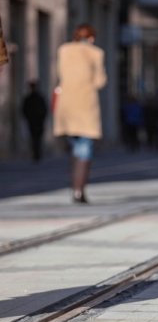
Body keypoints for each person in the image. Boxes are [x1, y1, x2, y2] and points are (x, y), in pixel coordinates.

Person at [53, 24, 106, 204]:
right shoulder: (95, 53)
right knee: (84, 148)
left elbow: (60, 73)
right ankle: (79, 190)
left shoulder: (64, 50)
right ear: (91, 38)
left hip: (67, 105)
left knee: (76, 147)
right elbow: (99, 81)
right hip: (85, 104)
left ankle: (76, 188)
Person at [22, 81, 48, 162]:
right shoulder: (30, 99)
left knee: (36, 138)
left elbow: (44, 109)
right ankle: (36, 153)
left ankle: (37, 153)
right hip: (34, 121)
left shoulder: (37, 98)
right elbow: (24, 110)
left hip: (37, 121)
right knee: (35, 138)